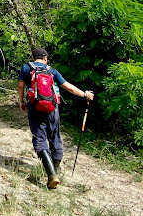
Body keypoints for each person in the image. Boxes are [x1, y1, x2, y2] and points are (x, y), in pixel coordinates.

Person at [18, 47, 95, 189]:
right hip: (53, 108)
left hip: (34, 107)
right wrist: (85, 95)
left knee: (39, 138)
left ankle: (51, 174)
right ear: (45, 58)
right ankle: (55, 170)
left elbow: (20, 85)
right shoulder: (51, 71)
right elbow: (68, 87)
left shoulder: (26, 68)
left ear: (33, 56)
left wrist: (22, 101)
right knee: (55, 137)